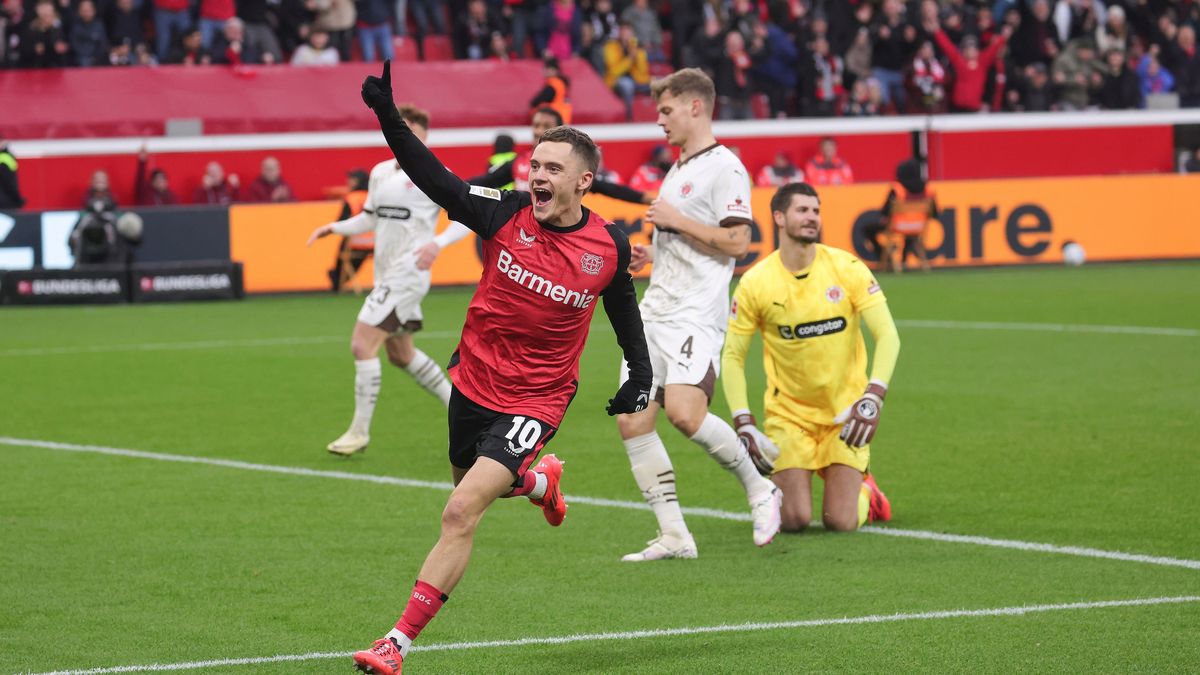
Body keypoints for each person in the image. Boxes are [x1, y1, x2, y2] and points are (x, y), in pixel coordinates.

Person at [350, 61, 652, 674]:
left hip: (537, 399)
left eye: (552, 169)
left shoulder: (609, 247)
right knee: (467, 485)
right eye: (535, 166)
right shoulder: (503, 212)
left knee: (460, 511)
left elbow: (624, 311)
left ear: (584, 181)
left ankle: (395, 643)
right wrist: (387, 115)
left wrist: (639, 375)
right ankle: (540, 483)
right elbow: (437, 181)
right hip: (474, 381)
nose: (537, 176)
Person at [616, 67, 782, 563]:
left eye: (665, 110)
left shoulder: (725, 167)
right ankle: (674, 534)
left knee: (686, 415)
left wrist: (676, 221)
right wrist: (653, 253)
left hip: (694, 314)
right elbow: (687, 237)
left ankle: (760, 491)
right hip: (655, 311)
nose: (660, 121)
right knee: (632, 420)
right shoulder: (680, 167)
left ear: (695, 106)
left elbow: (738, 241)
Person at [721, 182, 898, 535]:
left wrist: (873, 396)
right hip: (790, 416)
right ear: (779, 217)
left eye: (815, 211)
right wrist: (744, 422)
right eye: (802, 210)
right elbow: (733, 356)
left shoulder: (847, 267)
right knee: (794, 520)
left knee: (840, 521)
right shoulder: (757, 282)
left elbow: (888, 336)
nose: (811, 217)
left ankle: (869, 492)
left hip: (845, 413)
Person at [308, 106, 471, 456]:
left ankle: (358, 432)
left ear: (424, 137)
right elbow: (369, 219)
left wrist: (437, 243)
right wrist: (334, 228)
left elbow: (467, 216)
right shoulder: (380, 172)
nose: (403, 138)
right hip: (387, 275)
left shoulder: (434, 174)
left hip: (407, 275)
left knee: (361, 344)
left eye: (411, 132)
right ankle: (461, 412)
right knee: (401, 354)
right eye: (399, 131)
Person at [470, 107, 649, 204]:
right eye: (536, 125)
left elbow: (607, 188)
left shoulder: (570, 166)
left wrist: (644, 198)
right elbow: (486, 182)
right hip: (522, 238)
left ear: (560, 130)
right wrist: (448, 185)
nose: (539, 130)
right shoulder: (519, 163)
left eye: (545, 125)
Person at [327, 168, 373, 291]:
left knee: (343, 250)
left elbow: (341, 222)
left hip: (356, 242)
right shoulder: (374, 196)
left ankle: (337, 280)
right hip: (377, 243)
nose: (348, 181)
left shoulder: (352, 198)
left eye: (352, 179)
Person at [604, 21, 650, 121]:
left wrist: (636, 54)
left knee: (659, 83)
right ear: (619, 33)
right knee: (627, 85)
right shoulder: (611, 46)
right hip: (616, 80)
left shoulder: (637, 47)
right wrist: (629, 59)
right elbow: (614, 71)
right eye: (623, 32)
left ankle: (652, 117)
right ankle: (629, 118)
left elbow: (643, 71)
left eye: (628, 32)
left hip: (637, 79)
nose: (626, 35)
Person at [528, 56, 574, 125]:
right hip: (563, 119)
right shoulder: (561, 84)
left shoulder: (553, 85)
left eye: (546, 68)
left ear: (553, 70)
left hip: (554, 119)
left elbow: (536, 101)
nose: (544, 71)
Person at [0, 134, 26, 210]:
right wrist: (18, 200)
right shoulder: (6, 158)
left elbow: (8, 182)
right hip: (6, 203)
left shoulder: (4, 159)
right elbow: (10, 184)